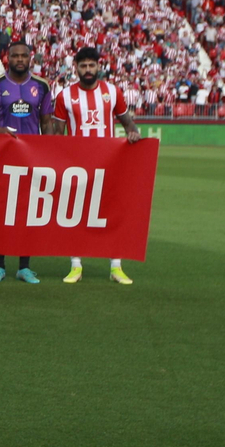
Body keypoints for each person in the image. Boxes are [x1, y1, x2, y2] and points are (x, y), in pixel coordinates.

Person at [53, 46, 140, 285]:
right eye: (83, 66)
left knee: (111, 214)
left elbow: (128, 123)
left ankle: (116, 267)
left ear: (98, 66)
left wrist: (132, 133)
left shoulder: (112, 92)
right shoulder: (65, 96)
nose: (88, 70)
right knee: (76, 214)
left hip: (109, 163)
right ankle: (75, 266)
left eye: (92, 65)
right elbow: (57, 134)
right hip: (77, 165)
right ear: (77, 68)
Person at [0, 40, 52, 284]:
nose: (19, 60)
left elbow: (47, 121)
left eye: (24, 56)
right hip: (4, 155)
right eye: (15, 56)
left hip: (30, 157)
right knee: (1, 210)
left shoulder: (41, 86)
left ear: (31, 58)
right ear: (8, 58)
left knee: (27, 212)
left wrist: (46, 148)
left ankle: (24, 267)